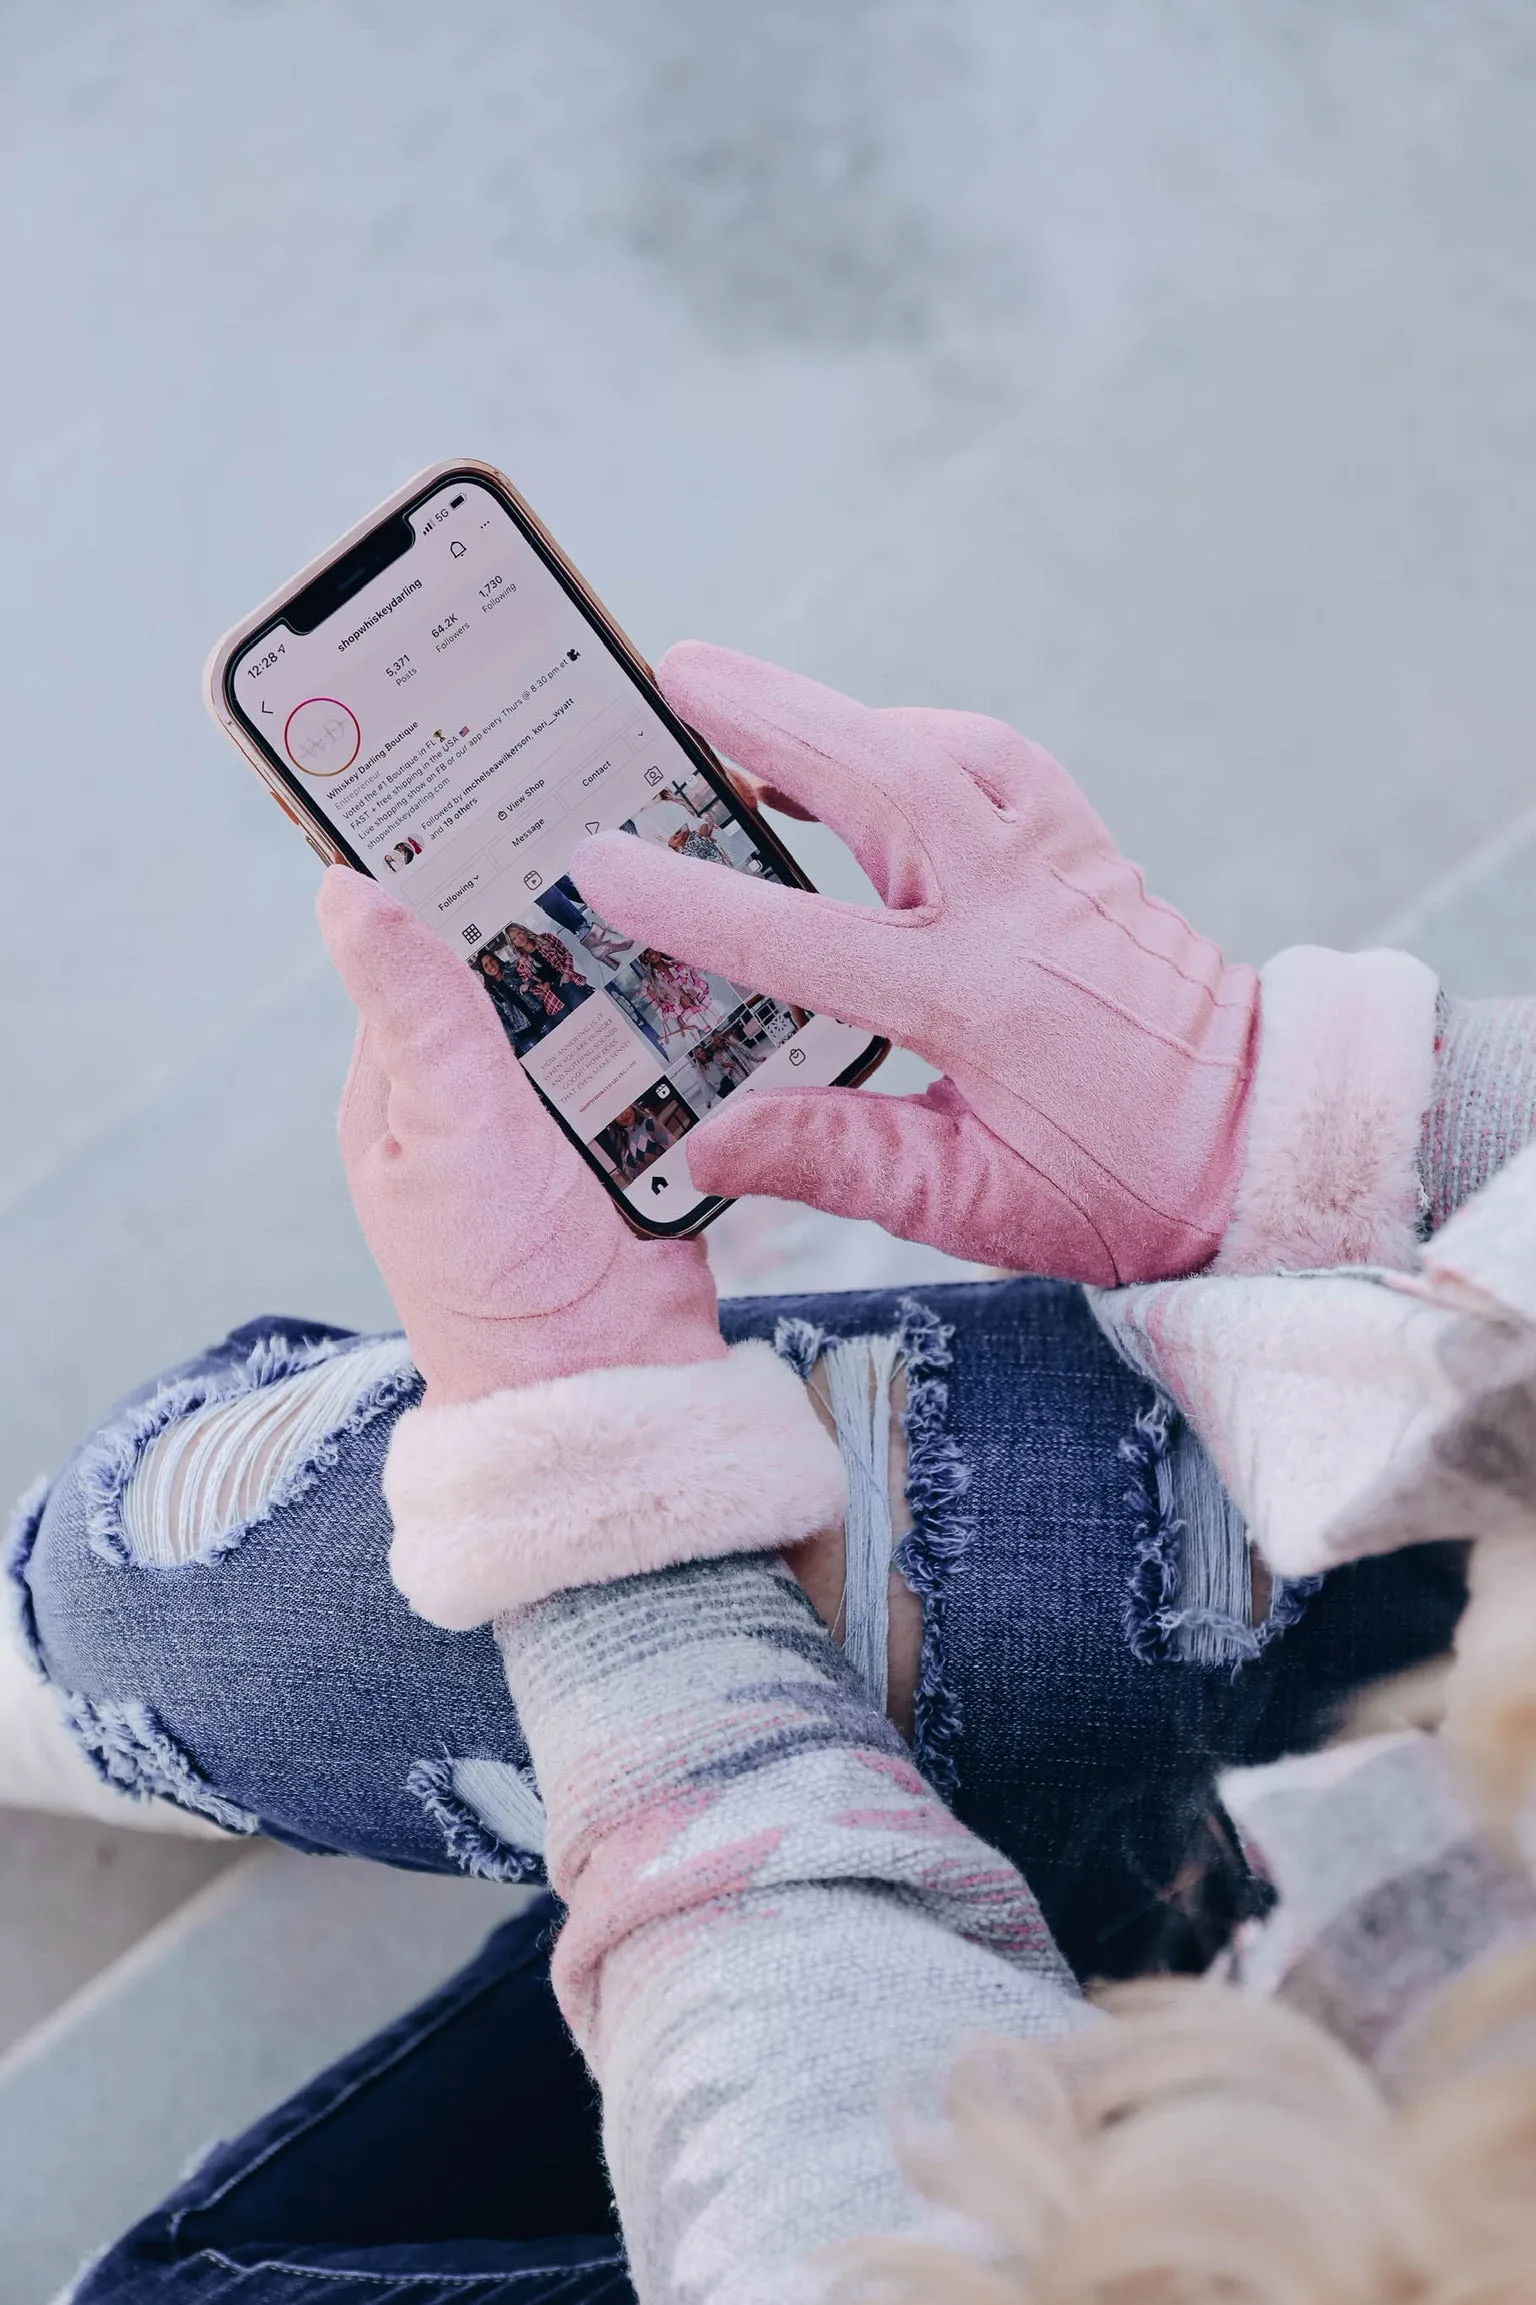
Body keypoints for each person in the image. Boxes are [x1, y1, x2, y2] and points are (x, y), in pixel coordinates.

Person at [16, 648, 1536, 2298]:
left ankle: (814, 1827)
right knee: (179, 1585)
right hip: (1462, 1564)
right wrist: (1307, 1126)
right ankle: (825, 1821)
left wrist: (611, 1523)